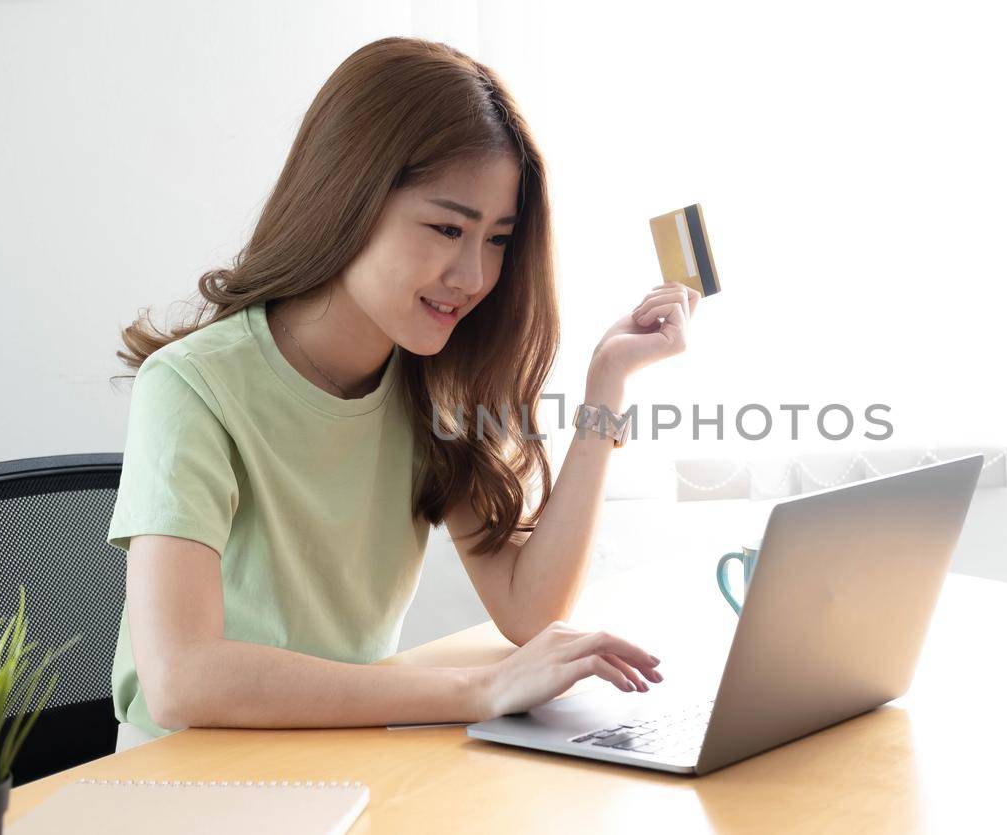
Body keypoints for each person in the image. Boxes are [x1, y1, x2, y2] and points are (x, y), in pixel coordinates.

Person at [106, 36, 697, 750]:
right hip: (184, 781)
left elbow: (532, 608)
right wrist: (476, 689)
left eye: (498, 239)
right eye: (448, 227)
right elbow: (180, 676)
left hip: (347, 756)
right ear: (348, 199)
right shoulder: (193, 386)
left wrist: (609, 379)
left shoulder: (427, 385)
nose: (474, 274)